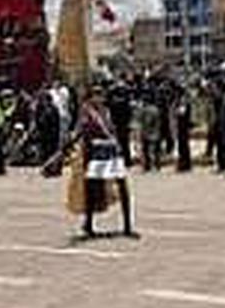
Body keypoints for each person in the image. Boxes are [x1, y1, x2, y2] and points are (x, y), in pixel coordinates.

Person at [67, 89, 138, 239]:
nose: (100, 97)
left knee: (123, 187)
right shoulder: (87, 113)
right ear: (90, 98)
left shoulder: (105, 112)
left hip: (110, 151)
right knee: (92, 190)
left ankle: (127, 226)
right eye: (96, 94)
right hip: (96, 153)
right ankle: (89, 224)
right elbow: (79, 132)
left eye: (101, 94)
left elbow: (111, 130)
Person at [107, 76, 134, 166]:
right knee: (125, 142)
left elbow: (110, 110)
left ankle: (119, 161)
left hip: (117, 123)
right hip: (124, 123)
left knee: (117, 142)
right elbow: (130, 112)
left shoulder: (113, 101)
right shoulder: (126, 101)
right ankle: (127, 160)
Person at [139, 91, 162, 172]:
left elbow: (147, 122)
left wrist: (142, 132)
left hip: (148, 133)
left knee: (147, 151)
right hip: (156, 132)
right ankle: (157, 165)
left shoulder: (146, 110)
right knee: (156, 151)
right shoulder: (156, 109)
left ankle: (147, 166)